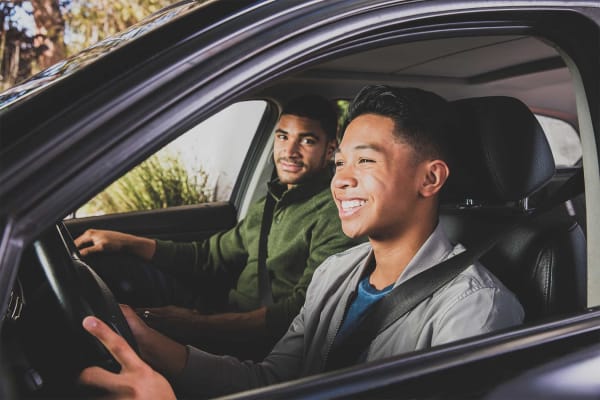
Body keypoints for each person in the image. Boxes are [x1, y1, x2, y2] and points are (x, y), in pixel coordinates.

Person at [78, 85, 524, 399]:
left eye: (365, 160)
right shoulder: (335, 272)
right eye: (341, 162)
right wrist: (146, 338)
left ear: (430, 178)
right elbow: (271, 380)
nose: (342, 180)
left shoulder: (474, 310)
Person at [74, 94, 360, 359]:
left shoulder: (334, 212)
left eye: (307, 141)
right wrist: (126, 241)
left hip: (258, 341)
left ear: (329, 150)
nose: (290, 151)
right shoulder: (271, 201)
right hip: (222, 311)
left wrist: (195, 324)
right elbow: (209, 256)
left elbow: (300, 311)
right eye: (283, 137)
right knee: (112, 265)